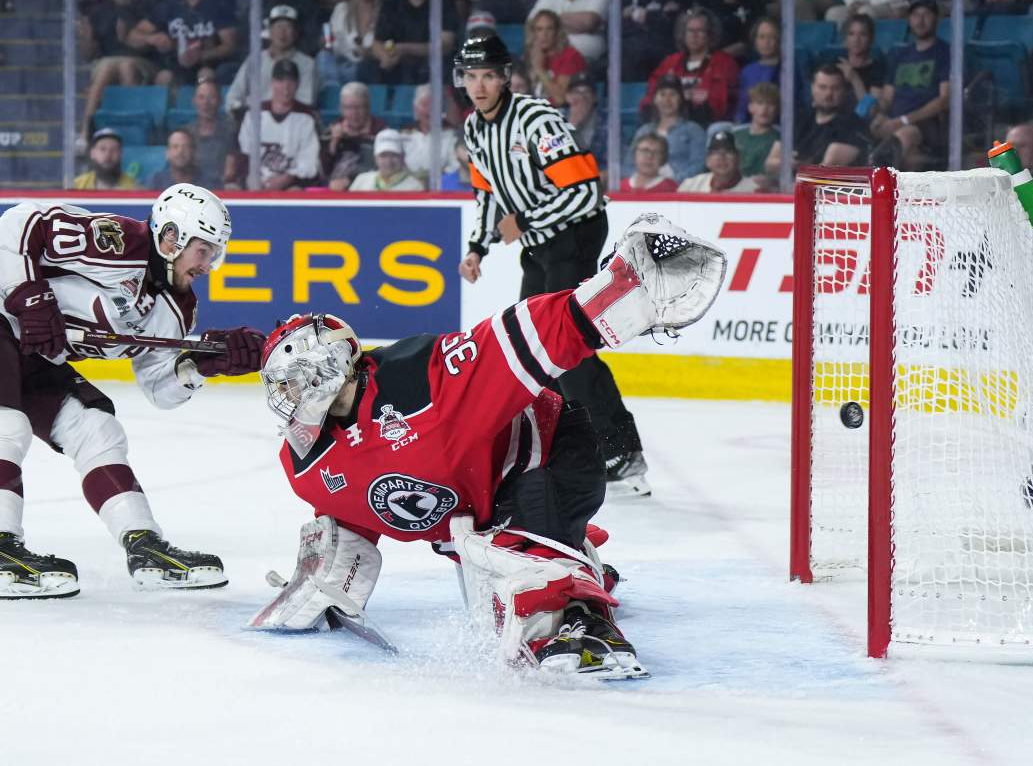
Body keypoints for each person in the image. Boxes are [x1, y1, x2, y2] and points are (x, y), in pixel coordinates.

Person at [251, 213, 727, 677]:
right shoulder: (306, 463)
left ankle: (586, 626)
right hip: (476, 515)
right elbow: (352, 516)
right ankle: (570, 557)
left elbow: (528, 336)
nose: (287, 399)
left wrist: (621, 292)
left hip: (548, 452)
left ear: (327, 365)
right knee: (494, 607)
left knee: (526, 586)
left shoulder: (420, 379)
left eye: (290, 382)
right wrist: (326, 582)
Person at [0, 184, 266, 599]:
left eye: (216, 252)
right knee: (3, 426)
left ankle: (144, 545)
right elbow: (16, 226)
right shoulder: (117, 243)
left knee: (97, 428)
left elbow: (160, 388)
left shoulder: (177, 307)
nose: (210, 264)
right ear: (172, 236)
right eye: (205, 250)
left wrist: (200, 367)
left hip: (37, 353)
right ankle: (0, 552)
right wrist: (29, 296)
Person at [454, 35, 651, 496]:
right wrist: (477, 247)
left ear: (505, 77)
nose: (479, 85)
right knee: (537, 347)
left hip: (576, 234)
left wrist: (522, 221)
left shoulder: (536, 120)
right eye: (471, 76)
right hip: (540, 242)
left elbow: (585, 193)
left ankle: (620, 448)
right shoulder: (474, 129)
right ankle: (575, 444)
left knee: (565, 344)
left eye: (488, 75)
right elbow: (487, 193)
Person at [77, 0, 157, 153]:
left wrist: (130, 39)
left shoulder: (148, 5)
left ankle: (127, 132)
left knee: (124, 65)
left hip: (144, 64)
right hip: (106, 67)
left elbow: (154, 46)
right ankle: (87, 131)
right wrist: (87, 38)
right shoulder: (98, 10)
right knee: (110, 65)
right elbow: (89, 55)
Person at [126, 0, 239, 88]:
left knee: (205, 75)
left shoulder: (219, 4)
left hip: (208, 65)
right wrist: (151, 38)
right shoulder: (169, 5)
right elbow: (132, 36)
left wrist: (201, 56)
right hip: (175, 67)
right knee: (164, 77)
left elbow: (231, 46)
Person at [870, 0, 950, 171]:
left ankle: (885, 194)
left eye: (926, 15)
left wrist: (904, 120)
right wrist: (879, 115)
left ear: (936, 18)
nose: (920, 21)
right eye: (915, 15)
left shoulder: (945, 53)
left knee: (902, 139)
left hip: (927, 123)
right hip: (896, 121)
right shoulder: (900, 55)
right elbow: (887, 98)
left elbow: (945, 99)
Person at [363, 0, 457, 85]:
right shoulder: (392, 3)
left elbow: (445, 45)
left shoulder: (445, 3)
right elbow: (377, 42)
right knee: (367, 66)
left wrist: (405, 49)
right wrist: (384, 56)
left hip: (429, 63)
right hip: (397, 62)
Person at [766, 63, 871, 177]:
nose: (828, 94)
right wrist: (786, 164)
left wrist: (790, 164)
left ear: (844, 91)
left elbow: (824, 172)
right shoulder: (798, 119)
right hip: (788, 188)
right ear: (812, 88)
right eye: (822, 87)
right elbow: (769, 164)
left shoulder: (853, 124)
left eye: (835, 88)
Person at [642, 7, 740, 127]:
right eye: (690, 31)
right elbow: (651, 95)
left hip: (706, 124)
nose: (694, 35)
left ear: (710, 34)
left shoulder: (724, 62)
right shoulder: (670, 62)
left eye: (700, 31)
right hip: (667, 121)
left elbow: (722, 103)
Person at [235, 58, 321, 190]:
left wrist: (287, 178)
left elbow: (309, 162)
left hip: (291, 185)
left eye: (291, 81)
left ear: (297, 85)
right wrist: (257, 179)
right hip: (255, 183)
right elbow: (245, 153)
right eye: (280, 81)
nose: (286, 87)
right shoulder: (254, 114)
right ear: (272, 83)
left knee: (296, 191)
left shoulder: (306, 117)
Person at [227, 4, 318, 116]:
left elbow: (305, 103)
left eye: (288, 27)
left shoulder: (308, 64)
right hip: (254, 122)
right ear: (269, 31)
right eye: (278, 26)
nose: (282, 32)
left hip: (290, 125)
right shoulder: (254, 60)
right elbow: (232, 98)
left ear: (295, 33)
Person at [621, 0, 689, 81]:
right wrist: (653, 16)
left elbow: (669, 25)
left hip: (660, 48)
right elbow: (615, 24)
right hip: (627, 48)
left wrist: (635, 15)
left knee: (639, 51)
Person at [626, 73, 706, 183]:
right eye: (662, 94)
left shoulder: (694, 130)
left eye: (672, 94)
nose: (667, 100)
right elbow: (628, 164)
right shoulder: (644, 131)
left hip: (679, 190)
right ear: (655, 99)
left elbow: (699, 166)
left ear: (680, 99)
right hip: (643, 189)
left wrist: (670, 183)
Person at [317, 0, 382, 90]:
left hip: (362, 69)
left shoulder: (383, 15)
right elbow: (329, 43)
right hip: (338, 65)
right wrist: (324, 42)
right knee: (323, 57)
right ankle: (334, 95)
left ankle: (338, 96)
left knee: (361, 68)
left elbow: (388, 48)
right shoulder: (341, 9)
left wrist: (370, 53)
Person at [321, 81, 385, 191]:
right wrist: (333, 143)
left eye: (359, 107)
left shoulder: (380, 131)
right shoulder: (331, 131)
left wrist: (349, 181)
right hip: (333, 188)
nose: (354, 113)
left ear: (368, 107)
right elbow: (323, 170)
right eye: (348, 107)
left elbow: (380, 166)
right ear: (341, 108)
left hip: (368, 188)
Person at [523, 10, 587, 107]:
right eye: (539, 29)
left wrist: (539, 68)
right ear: (534, 33)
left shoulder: (570, 56)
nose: (544, 34)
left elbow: (560, 99)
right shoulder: (531, 54)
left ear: (557, 32)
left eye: (549, 29)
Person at [400, 85, 459, 181]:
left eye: (434, 105)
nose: (429, 111)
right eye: (425, 105)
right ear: (415, 109)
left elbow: (455, 168)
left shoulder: (452, 136)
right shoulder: (404, 134)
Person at [186, 77, 237, 187]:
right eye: (201, 97)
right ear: (194, 101)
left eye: (211, 97)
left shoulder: (231, 131)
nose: (206, 103)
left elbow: (230, 172)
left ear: (220, 100)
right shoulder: (186, 133)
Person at [835, 13, 886, 114]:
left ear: (871, 39)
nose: (856, 40)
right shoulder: (835, 64)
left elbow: (871, 111)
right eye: (851, 34)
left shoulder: (878, 68)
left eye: (863, 34)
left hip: (860, 123)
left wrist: (855, 79)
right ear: (845, 38)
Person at [678, 129, 759, 192]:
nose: (721, 157)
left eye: (728, 152)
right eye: (715, 153)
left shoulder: (753, 190)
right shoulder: (691, 186)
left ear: (738, 159)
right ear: (707, 160)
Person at [734, 16, 779, 124]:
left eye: (771, 37)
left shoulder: (788, 69)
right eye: (761, 37)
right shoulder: (747, 71)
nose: (766, 42)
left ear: (779, 40)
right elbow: (742, 109)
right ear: (755, 41)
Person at [731, 81, 780, 180]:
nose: (764, 109)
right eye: (760, 103)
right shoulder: (735, 135)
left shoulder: (780, 140)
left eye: (770, 104)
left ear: (777, 109)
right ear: (750, 107)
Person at [349, 129, 426, 191]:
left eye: (394, 155)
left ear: (402, 157)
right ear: (375, 158)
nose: (388, 161)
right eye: (383, 156)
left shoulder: (415, 186)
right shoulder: (361, 180)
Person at [149, 129, 220, 189]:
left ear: (194, 152)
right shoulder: (156, 181)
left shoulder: (211, 182)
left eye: (185, 147)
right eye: (175, 146)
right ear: (167, 153)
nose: (180, 152)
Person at [563, 74, 606, 167]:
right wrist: (572, 125)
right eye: (576, 92)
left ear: (594, 97)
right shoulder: (554, 118)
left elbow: (617, 160)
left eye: (587, 92)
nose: (581, 97)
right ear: (568, 97)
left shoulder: (606, 123)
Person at [74, 128, 140, 190]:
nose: (108, 154)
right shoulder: (77, 186)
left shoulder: (134, 188)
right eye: (102, 149)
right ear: (92, 153)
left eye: (114, 149)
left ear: (121, 154)